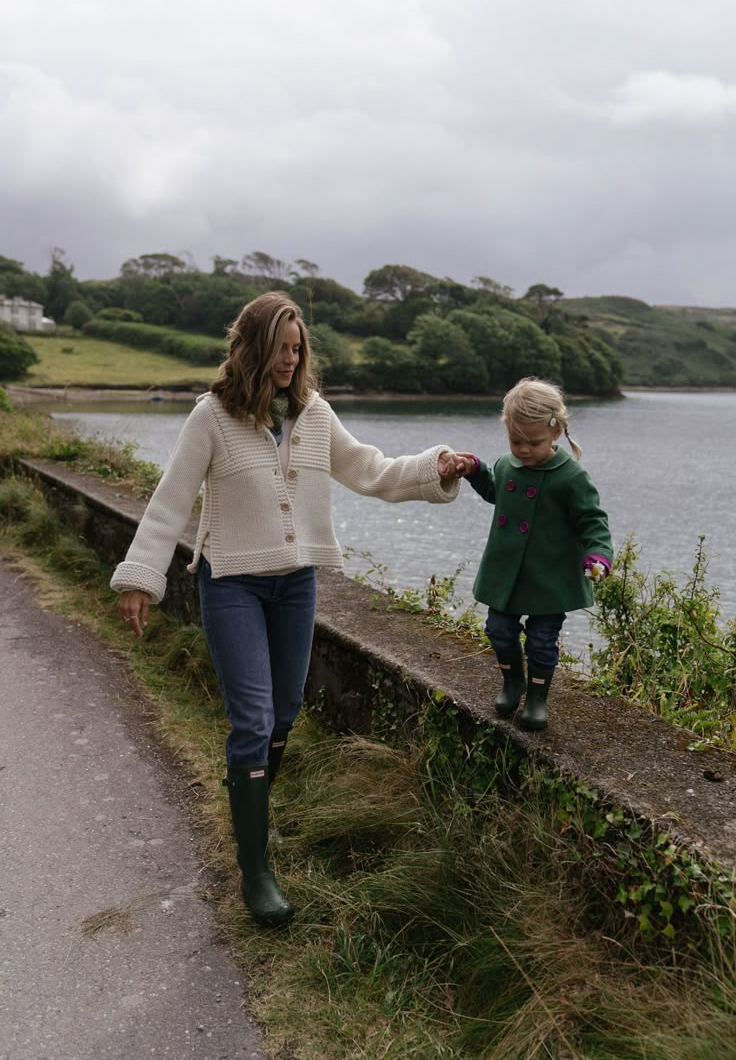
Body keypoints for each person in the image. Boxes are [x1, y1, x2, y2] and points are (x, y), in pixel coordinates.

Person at [111, 291, 461, 927]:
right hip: (233, 582)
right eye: (280, 350)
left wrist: (434, 467)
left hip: (295, 583)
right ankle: (256, 868)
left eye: (298, 350)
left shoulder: (315, 414)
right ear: (252, 349)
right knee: (252, 719)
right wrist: (140, 576)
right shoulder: (211, 416)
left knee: (285, 713)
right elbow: (170, 501)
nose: (291, 362)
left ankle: (249, 809)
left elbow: (372, 471)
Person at [449, 377, 612, 731]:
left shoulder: (571, 476)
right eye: (515, 440)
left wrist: (598, 556)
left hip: (549, 576)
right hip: (506, 572)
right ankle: (512, 683)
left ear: (556, 432)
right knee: (498, 631)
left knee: (541, 641)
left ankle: (537, 700)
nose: (523, 449)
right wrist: (476, 471)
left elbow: (593, 521)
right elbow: (497, 492)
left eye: (533, 442)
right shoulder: (508, 465)